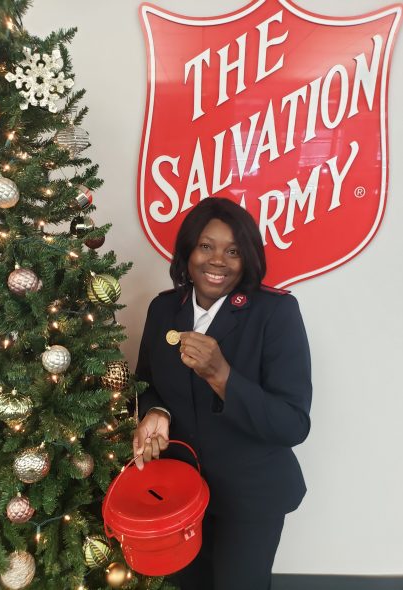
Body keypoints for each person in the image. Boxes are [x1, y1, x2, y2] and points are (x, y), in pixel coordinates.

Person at [132, 197, 312, 590]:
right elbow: (144, 384)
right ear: (188, 251)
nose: (218, 261)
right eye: (206, 246)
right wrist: (155, 410)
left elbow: (293, 424)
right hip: (178, 493)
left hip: (250, 497)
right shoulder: (163, 309)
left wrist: (222, 376)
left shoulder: (276, 313)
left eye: (232, 251)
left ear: (247, 259)